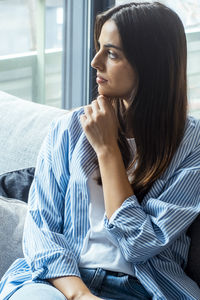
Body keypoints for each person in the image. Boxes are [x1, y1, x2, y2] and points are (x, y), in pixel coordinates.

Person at [1, 2, 200, 300]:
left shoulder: (190, 144)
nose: (95, 62)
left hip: (143, 289)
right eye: (98, 48)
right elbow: (41, 231)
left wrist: (107, 150)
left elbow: (141, 244)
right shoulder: (68, 129)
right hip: (59, 284)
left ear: (150, 64)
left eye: (111, 53)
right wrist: (80, 295)